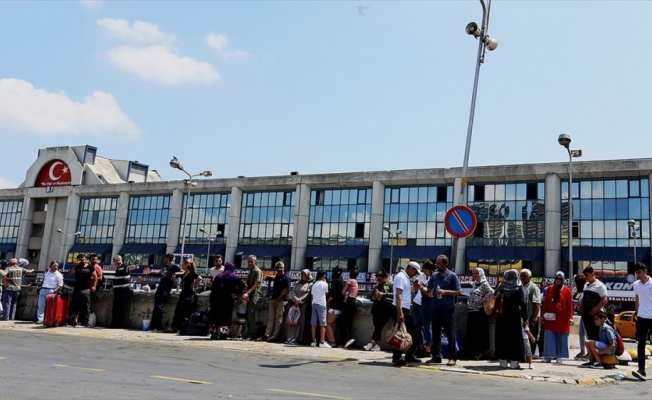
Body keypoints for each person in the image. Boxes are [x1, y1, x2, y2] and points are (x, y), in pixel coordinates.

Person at [425, 255, 461, 366]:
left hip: (447, 308)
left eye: (439, 264)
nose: (437, 265)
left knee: (450, 333)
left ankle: (452, 357)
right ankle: (436, 356)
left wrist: (445, 292)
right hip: (435, 308)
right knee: (436, 333)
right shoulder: (434, 275)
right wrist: (420, 287)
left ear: (445, 264)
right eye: (437, 263)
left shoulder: (452, 276)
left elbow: (459, 291)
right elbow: (429, 290)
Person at [495, 269, 528, 369]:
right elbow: (523, 303)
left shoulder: (501, 286)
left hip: (502, 316)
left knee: (502, 338)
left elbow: (494, 296)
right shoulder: (519, 286)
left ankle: (503, 362)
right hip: (514, 316)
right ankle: (514, 363)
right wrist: (525, 318)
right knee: (515, 339)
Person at [391, 261, 422, 366]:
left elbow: (406, 292)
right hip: (401, 309)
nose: (415, 274)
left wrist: (415, 286)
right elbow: (398, 295)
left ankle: (408, 356)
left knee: (408, 334)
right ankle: (398, 357)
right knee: (401, 335)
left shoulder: (406, 278)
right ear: (410, 268)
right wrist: (399, 313)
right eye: (415, 271)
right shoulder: (401, 277)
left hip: (405, 309)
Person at [541, 271, 574, 364]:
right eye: (557, 279)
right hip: (550, 317)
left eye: (560, 279)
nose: (558, 281)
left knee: (561, 337)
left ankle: (560, 356)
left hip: (562, 318)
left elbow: (570, 306)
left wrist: (570, 317)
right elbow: (546, 303)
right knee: (549, 337)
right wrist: (543, 315)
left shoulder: (567, 290)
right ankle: (548, 356)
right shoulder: (549, 289)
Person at [208, 261, 242, 340]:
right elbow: (241, 285)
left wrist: (211, 299)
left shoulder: (218, 276)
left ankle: (214, 334)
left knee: (216, 317)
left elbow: (213, 289)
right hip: (227, 300)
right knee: (225, 317)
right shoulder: (234, 276)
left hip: (217, 300)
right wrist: (235, 293)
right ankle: (223, 335)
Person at [465, 267, 493, 360]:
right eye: (473, 274)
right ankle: (471, 352)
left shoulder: (484, 284)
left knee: (479, 334)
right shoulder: (475, 284)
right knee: (471, 333)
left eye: (476, 273)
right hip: (471, 311)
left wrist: (483, 299)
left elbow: (492, 292)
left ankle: (479, 353)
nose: (474, 275)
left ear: (481, 274)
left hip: (479, 312)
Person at [148, 253, 181, 332]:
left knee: (159, 307)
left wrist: (175, 274)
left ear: (168, 258)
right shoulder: (165, 266)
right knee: (156, 307)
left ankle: (158, 326)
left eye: (165, 258)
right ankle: (153, 326)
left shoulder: (174, 267)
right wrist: (150, 273)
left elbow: (182, 271)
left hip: (166, 289)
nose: (164, 260)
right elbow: (160, 272)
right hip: (159, 288)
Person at [168, 258, 202, 333]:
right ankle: (174, 327)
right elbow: (180, 273)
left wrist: (193, 284)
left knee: (187, 313)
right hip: (183, 294)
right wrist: (175, 274)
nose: (182, 265)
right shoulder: (185, 273)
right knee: (178, 311)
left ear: (186, 265)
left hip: (189, 295)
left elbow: (199, 278)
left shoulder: (191, 273)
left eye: (183, 264)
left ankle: (183, 327)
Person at [363, 269, 393, 351]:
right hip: (377, 308)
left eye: (380, 279)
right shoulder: (376, 286)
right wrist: (374, 297)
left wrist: (383, 294)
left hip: (386, 308)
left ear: (385, 278)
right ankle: (376, 344)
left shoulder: (390, 284)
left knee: (379, 326)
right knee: (377, 326)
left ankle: (371, 342)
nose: (379, 281)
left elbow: (394, 294)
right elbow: (371, 296)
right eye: (377, 279)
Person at [261, 261, 291, 342]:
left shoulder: (286, 278)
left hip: (281, 300)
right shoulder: (277, 276)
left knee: (278, 319)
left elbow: (285, 291)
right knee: (270, 318)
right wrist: (267, 276)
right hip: (273, 299)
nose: (279, 269)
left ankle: (275, 336)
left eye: (281, 267)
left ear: (283, 268)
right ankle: (266, 335)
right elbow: (274, 277)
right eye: (278, 267)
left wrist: (277, 301)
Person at [632, 262, 652, 381]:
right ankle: (641, 369)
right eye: (636, 273)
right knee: (641, 344)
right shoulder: (636, 284)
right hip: (642, 317)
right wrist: (637, 312)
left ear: (645, 271)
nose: (638, 275)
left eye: (639, 272)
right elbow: (637, 298)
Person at [579, 266, 608, 341]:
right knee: (589, 335)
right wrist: (581, 308)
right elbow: (584, 298)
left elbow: (604, 300)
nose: (586, 277)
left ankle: (597, 351)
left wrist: (594, 310)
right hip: (586, 314)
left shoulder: (600, 285)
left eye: (587, 275)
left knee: (596, 334)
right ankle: (591, 352)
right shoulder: (586, 285)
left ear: (593, 274)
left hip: (595, 315)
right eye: (584, 275)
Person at [68, 254, 98, 327]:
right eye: (80, 259)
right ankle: (75, 321)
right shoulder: (77, 267)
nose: (82, 261)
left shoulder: (90, 267)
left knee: (86, 306)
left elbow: (95, 276)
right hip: (77, 288)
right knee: (76, 306)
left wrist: (94, 286)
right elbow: (70, 274)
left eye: (83, 259)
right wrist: (75, 265)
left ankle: (85, 321)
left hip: (86, 289)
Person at [285, 269, 313, 346]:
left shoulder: (310, 284)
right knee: (292, 320)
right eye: (302, 274)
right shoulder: (297, 283)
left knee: (300, 322)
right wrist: (295, 299)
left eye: (305, 275)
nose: (303, 276)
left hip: (303, 305)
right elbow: (293, 291)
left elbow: (308, 294)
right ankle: (290, 337)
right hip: (295, 304)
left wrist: (300, 300)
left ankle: (297, 338)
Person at [411, 260, 431, 358]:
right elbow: (415, 288)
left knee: (426, 327)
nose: (423, 272)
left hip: (427, 304)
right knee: (417, 326)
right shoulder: (421, 276)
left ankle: (428, 348)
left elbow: (430, 292)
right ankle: (421, 346)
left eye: (425, 270)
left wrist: (422, 286)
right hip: (417, 302)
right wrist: (416, 285)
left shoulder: (434, 277)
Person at [110, 255, 137, 328]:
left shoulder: (124, 267)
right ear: (114, 262)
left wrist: (134, 267)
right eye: (116, 260)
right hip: (117, 291)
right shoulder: (117, 269)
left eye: (119, 260)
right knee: (116, 307)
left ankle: (120, 324)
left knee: (121, 308)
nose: (118, 262)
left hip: (123, 290)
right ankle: (114, 323)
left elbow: (129, 268)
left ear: (121, 260)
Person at [520, 269, 541, 359]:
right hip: (521, 317)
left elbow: (537, 303)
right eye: (521, 276)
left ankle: (530, 356)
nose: (522, 278)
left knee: (531, 336)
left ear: (529, 277)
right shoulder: (519, 286)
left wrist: (534, 317)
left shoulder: (534, 287)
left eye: (525, 276)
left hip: (531, 316)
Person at [242, 255, 263, 340]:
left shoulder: (257, 271)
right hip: (249, 293)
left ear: (255, 262)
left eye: (252, 262)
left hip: (254, 294)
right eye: (249, 262)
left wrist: (247, 293)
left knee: (251, 314)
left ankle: (252, 334)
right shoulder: (251, 271)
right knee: (247, 315)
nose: (250, 263)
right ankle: (248, 333)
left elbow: (256, 284)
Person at [340, 267, 359, 348]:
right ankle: (348, 342)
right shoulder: (356, 282)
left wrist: (346, 292)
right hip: (353, 302)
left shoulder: (350, 281)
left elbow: (343, 292)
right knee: (349, 322)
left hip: (348, 302)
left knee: (343, 322)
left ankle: (348, 339)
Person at [326, 266, 345, 347]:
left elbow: (332, 295)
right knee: (333, 324)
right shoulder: (342, 282)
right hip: (340, 306)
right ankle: (333, 341)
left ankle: (331, 341)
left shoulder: (335, 282)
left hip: (334, 306)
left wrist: (326, 302)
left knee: (328, 323)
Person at [310, 269, 330, 348]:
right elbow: (326, 293)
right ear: (324, 276)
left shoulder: (314, 284)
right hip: (321, 303)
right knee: (323, 324)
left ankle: (313, 341)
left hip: (314, 303)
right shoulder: (325, 284)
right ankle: (322, 341)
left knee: (313, 323)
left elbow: (312, 295)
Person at [573, 273, 588, 361]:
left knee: (587, 334)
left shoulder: (586, 290)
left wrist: (577, 304)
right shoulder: (580, 292)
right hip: (582, 314)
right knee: (581, 333)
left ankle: (589, 353)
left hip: (587, 314)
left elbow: (583, 303)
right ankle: (582, 351)